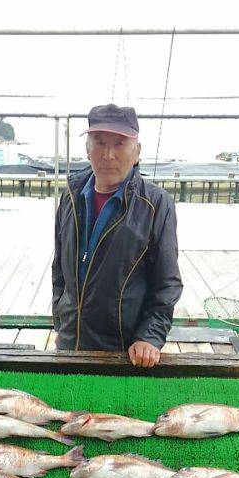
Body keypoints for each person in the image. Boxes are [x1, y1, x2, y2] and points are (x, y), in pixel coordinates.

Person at [52, 103, 183, 368]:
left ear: (137, 152)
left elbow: (167, 283)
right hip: (69, 346)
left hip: (125, 353)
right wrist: (61, 319)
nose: (108, 154)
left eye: (120, 144)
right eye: (100, 142)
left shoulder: (156, 204)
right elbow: (59, 271)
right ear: (87, 149)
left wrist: (149, 337)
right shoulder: (69, 196)